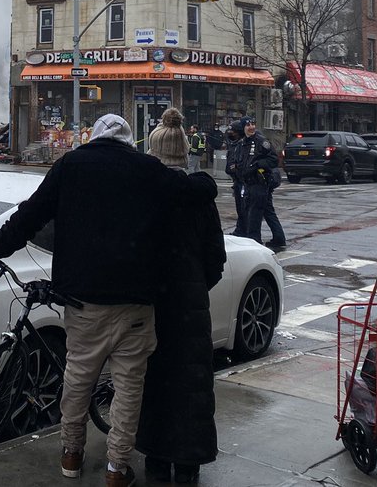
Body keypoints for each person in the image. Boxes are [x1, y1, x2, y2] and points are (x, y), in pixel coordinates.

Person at [0, 113, 218, 487]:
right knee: (128, 388)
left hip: (83, 302)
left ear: (94, 137)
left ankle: (71, 454)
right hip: (134, 305)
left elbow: (30, 215)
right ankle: (116, 469)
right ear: (127, 140)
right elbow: (196, 193)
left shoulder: (70, 165)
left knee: (77, 379)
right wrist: (203, 176)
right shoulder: (145, 168)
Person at [138, 111, 227, 483]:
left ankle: (157, 460)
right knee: (192, 382)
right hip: (192, 307)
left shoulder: (145, 197)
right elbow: (216, 260)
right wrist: (193, 286)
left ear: (155, 151)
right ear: (184, 153)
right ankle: (188, 465)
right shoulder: (201, 199)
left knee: (153, 381)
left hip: (153, 305)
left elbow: (135, 252)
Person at [239, 116, 287, 250]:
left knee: (254, 213)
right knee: (267, 211)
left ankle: (254, 240)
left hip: (260, 182)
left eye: (253, 124)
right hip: (249, 182)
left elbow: (273, 160)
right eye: (248, 125)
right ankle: (279, 238)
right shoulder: (244, 142)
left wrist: (258, 165)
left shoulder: (260, 141)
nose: (251, 127)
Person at [222, 120, 247, 236]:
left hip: (243, 181)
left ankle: (246, 231)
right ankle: (240, 230)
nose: (230, 133)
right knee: (239, 208)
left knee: (244, 208)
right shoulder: (233, 144)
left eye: (233, 131)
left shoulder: (243, 144)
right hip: (236, 181)